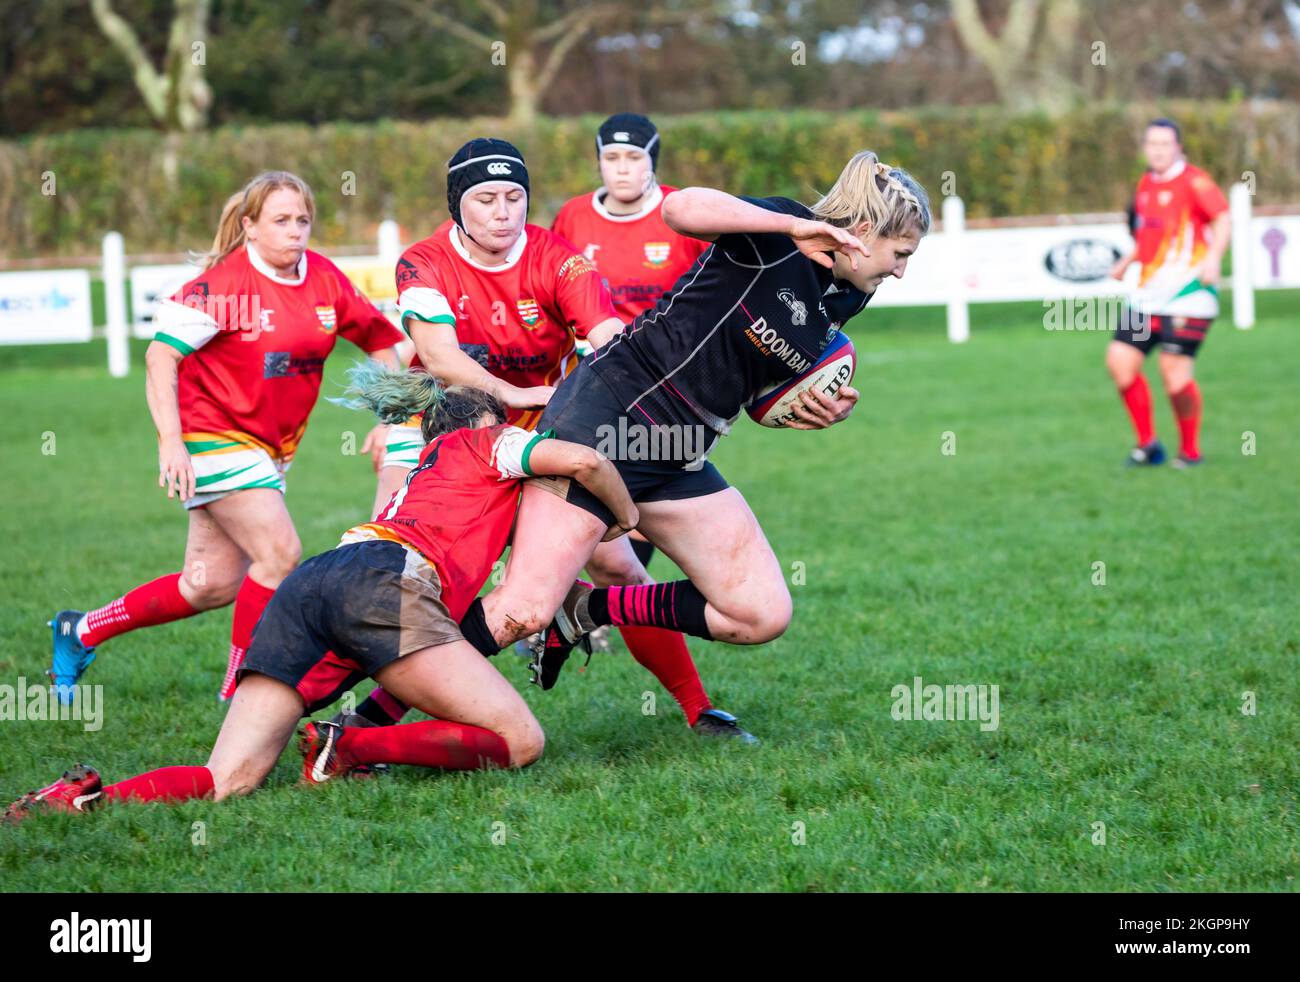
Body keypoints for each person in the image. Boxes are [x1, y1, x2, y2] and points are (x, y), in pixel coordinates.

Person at [6, 373, 639, 822]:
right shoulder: (482, 442)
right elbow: (583, 461)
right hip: (385, 581)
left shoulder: (425, 469)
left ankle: (83, 798)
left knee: (229, 781)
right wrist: (625, 516)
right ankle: (349, 747)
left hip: (315, 580)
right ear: (481, 426)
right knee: (522, 741)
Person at [450, 152, 931, 695]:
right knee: (522, 609)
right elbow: (679, 209)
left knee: (760, 612)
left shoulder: (853, 292)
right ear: (864, 233)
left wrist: (812, 407)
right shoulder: (778, 235)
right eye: (900, 253)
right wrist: (787, 222)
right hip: (609, 419)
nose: (901, 269)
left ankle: (587, 608)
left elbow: (759, 380)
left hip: (679, 449)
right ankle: (363, 716)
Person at [355, 138, 747, 740]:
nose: (503, 211)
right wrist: (509, 394)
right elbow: (435, 354)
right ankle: (358, 715)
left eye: (515, 197)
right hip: (446, 432)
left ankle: (697, 709)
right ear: (458, 204)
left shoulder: (557, 257)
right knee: (424, 582)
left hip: (541, 430)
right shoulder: (424, 261)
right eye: (485, 199)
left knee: (619, 565)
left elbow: (611, 334)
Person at [47, 171, 403, 704]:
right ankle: (240, 688)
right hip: (210, 436)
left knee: (208, 583)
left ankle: (80, 631)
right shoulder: (226, 285)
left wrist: (388, 413)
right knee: (280, 552)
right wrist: (171, 441)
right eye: (280, 220)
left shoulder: (325, 279)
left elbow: (379, 339)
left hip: (270, 451)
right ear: (250, 225)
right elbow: (160, 355)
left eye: (303, 220)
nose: (295, 231)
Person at [549, 113, 743, 734]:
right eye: (612, 159)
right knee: (619, 556)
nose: (623, 169)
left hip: (669, 405)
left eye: (635, 159)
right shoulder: (573, 220)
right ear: (599, 161)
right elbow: (557, 305)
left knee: (624, 551)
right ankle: (565, 614)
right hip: (591, 401)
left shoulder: (682, 219)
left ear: (654, 161)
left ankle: (573, 615)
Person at [1106, 117, 1230, 468]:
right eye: (1152, 144)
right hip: (1148, 295)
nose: (1158, 150)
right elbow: (1147, 236)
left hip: (1188, 294)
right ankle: (1148, 445)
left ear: (1178, 147)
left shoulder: (1196, 182)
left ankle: (1190, 451)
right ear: (1145, 148)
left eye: (1165, 144)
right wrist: (1127, 261)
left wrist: (1215, 258)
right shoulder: (1145, 183)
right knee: (1120, 363)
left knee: (1174, 377)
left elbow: (1222, 217)